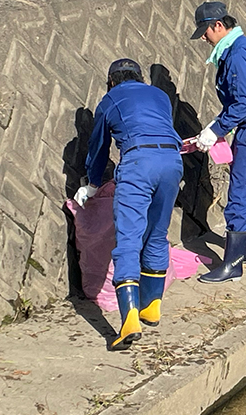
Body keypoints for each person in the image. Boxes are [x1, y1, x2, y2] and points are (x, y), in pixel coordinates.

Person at [78, 58, 183, 351]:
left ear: (112, 81)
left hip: (139, 163)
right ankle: (152, 306)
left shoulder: (110, 99)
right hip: (172, 162)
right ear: (138, 77)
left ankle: (129, 322)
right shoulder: (160, 95)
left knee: (127, 239)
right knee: (157, 233)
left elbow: (98, 148)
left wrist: (92, 184)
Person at [191, 1, 246, 284]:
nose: (203, 37)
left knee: (239, 193)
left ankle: (233, 264)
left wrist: (216, 130)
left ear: (218, 25)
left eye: (205, 31)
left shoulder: (238, 55)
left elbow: (244, 102)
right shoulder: (240, 48)